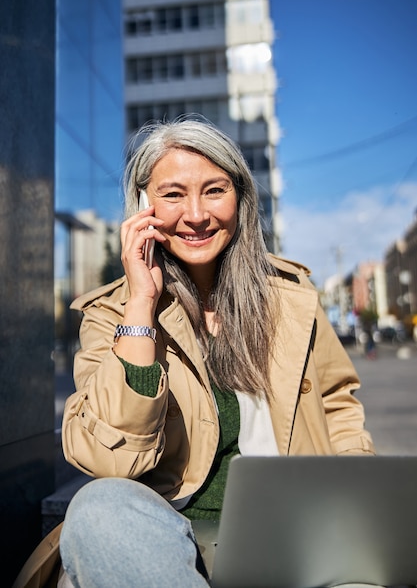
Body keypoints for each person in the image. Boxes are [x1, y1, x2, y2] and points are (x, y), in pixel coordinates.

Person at [59, 117, 375, 587]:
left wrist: (359, 499)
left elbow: (337, 407)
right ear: (143, 205)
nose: (197, 214)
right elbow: (110, 460)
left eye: (214, 190)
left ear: (240, 198)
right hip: (168, 542)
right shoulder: (113, 314)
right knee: (96, 509)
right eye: (172, 195)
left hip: (295, 526)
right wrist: (142, 303)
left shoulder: (292, 297)